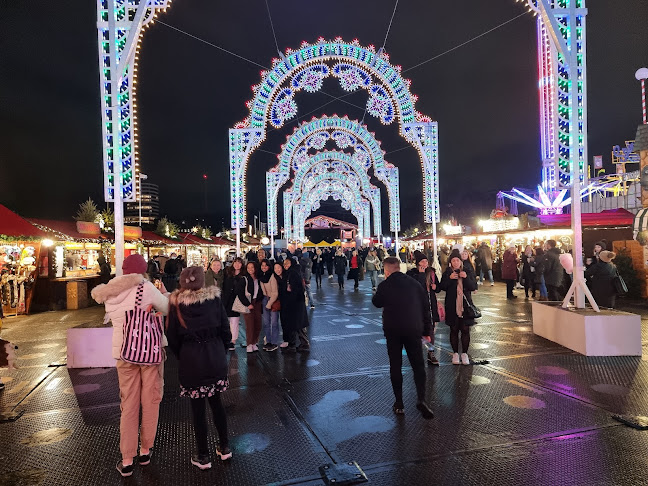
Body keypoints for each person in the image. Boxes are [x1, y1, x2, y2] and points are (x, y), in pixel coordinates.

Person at [90, 254, 169, 477]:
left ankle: (127, 459)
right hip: (149, 352)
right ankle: (145, 450)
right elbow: (168, 308)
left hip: (124, 353)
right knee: (151, 399)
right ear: (143, 270)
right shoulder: (147, 288)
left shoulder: (109, 292)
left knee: (129, 404)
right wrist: (163, 295)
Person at [166, 267, 232, 470]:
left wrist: (184, 354)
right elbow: (225, 330)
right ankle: (225, 447)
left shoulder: (177, 304)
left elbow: (172, 337)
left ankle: (203, 455)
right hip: (214, 356)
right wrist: (220, 349)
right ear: (202, 281)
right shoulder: (214, 300)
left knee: (197, 409)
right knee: (217, 403)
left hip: (191, 359)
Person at [372, 257, 434, 419]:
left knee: (395, 365)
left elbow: (376, 302)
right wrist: (427, 330)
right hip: (414, 329)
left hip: (393, 331)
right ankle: (421, 399)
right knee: (418, 365)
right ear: (399, 267)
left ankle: (399, 403)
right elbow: (426, 308)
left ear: (386, 271)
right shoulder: (415, 284)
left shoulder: (385, 285)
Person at [438, 251, 477, 365]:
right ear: (450, 262)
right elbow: (442, 287)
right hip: (452, 306)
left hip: (465, 306)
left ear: (461, 262)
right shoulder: (447, 273)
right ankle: (455, 353)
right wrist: (450, 278)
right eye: (453, 260)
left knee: (465, 330)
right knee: (454, 329)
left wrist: (466, 278)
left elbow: (473, 286)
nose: (456, 262)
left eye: (457, 260)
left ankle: (464, 353)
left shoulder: (467, 271)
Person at [406, 251, 441, 366]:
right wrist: (421, 275)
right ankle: (416, 355)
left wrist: (436, 287)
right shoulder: (412, 274)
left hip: (431, 306)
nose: (425, 264)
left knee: (431, 331)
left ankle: (431, 353)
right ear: (417, 263)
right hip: (417, 307)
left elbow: (438, 288)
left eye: (426, 261)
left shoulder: (431, 273)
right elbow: (415, 288)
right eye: (422, 261)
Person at [278, 258, 310, 352]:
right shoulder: (295, 272)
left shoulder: (292, 273)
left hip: (294, 303)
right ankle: (302, 344)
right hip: (296, 303)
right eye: (284, 264)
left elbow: (295, 289)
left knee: (296, 325)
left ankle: (299, 344)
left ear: (292, 263)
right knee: (298, 325)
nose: (285, 265)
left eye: (287, 263)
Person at [221, 257, 246, 350]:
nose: (237, 264)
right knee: (225, 321)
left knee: (234, 321)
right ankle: (225, 339)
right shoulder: (227, 272)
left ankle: (233, 341)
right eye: (235, 262)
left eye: (239, 263)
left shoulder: (244, 275)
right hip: (226, 299)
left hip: (236, 301)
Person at [239, 261, 263, 353]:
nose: (250, 269)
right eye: (248, 267)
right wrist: (247, 304)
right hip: (247, 303)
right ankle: (249, 344)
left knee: (258, 324)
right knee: (249, 325)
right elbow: (240, 293)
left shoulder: (259, 278)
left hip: (257, 302)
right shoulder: (244, 279)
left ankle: (254, 342)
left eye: (252, 267)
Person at [259, 259, 280, 351]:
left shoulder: (272, 276)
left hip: (273, 300)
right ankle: (268, 341)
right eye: (262, 265)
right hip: (265, 299)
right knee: (266, 323)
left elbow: (275, 293)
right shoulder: (261, 275)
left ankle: (274, 342)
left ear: (269, 266)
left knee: (274, 323)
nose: (264, 267)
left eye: (266, 265)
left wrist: (269, 304)